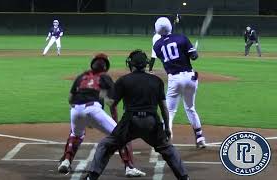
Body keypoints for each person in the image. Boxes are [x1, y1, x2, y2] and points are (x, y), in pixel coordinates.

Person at [84, 50, 189, 180]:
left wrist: (101, 92)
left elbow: (111, 103)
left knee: (105, 145)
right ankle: (184, 177)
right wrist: (167, 128)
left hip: (130, 123)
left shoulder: (124, 80)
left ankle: (91, 177)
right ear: (146, 64)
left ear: (130, 64)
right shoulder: (157, 81)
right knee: (168, 149)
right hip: (152, 122)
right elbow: (164, 109)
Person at [57, 53, 146, 177]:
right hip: (93, 109)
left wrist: (82, 116)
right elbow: (112, 103)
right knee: (121, 135)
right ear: (105, 66)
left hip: (75, 110)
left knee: (76, 135)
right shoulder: (105, 77)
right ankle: (129, 167)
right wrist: (115, 120)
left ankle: (66, 161)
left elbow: (71, 99)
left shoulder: (82, 76)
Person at [152, 17, 206, 148]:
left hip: (174, 79)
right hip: (190, 78)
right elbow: (194, 57)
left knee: (169, 111)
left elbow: (170, 56)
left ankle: (166, 139)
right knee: (190, 108)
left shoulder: (157, 45)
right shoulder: (182, 38)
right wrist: (193, 52)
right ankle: (200, 138)